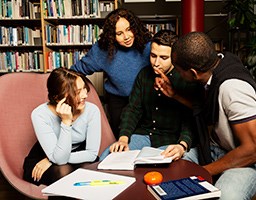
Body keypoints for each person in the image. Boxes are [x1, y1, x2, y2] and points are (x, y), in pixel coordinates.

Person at [154, 32, 256, 199]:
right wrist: (175, 95)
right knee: (159, 163)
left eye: (179, 71)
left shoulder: (234, 88)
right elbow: (208, 107)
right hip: (212, 150)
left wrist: (204, 171)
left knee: (226, 196)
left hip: (246, 163)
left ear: (194, 73)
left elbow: (253, 151)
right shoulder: (216, 66)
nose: (178, 75)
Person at [100, 30, 199, 163]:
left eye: (163, 58)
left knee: (154, 169)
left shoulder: (185, 78)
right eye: (153, 56)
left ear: (175, 57)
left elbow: (191, 119)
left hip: (171, 140)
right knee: (107, 157)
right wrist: (123, 138)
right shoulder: (144, 75)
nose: (156, 63)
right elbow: (133, 109)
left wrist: (182, 145)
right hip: (143, 135)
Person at [71, 8, 152, 138]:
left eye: (129, 29)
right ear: (111, 36)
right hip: (118, 102)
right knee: (121, 139)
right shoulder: (102, 50)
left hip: (145, 99)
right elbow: (76, 70)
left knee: (144, 138)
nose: (126, 37)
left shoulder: (148, 45)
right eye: (119, 33)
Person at [23, 67, 101, 187]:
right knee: (64, 172)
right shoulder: (40, 114)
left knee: (90, 170)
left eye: (84, 89)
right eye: (77, 92)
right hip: (43, 156)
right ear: (58, 97)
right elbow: (59, 161)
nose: (85, 95)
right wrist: (66, 122)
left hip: (75, 155)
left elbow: (91, 154)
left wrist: (51, 160)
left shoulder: (92, 110)